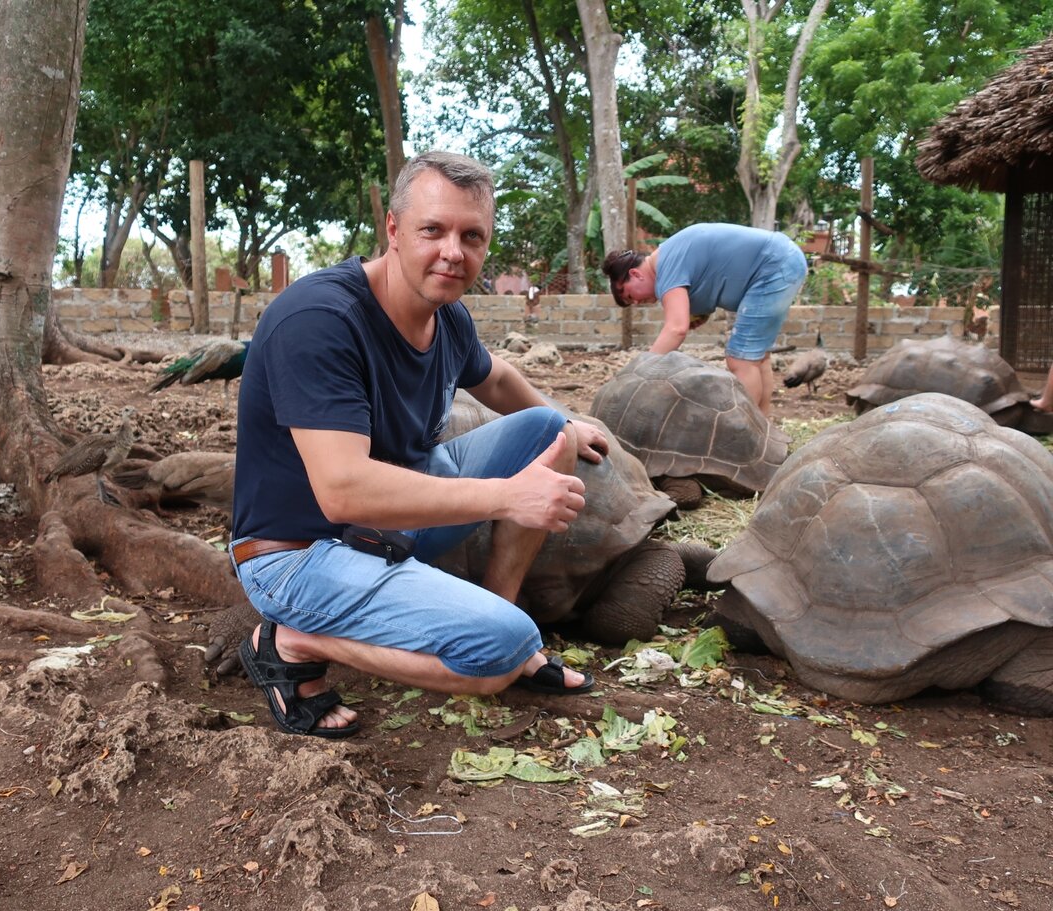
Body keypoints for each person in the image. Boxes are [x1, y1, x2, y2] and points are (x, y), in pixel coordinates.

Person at [229, 151, 610, 738]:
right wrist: (506, 497)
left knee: (548, 432)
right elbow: (344, 492)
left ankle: (498, 608)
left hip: (396, 522)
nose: (452, 252)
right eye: (433, 230)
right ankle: (292, 640)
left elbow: (500, 379)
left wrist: (565, 421)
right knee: (496, 658)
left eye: (471, 236)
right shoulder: (318, 320)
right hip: (299, 554)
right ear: (394, 230)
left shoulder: (448, 316)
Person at [602, 224, 809, 415]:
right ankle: (764, 429)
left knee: (741, 360)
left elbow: (676, 329)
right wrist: (700, 314)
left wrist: (640, 371)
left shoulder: (665, 266)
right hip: (784, 259)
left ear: (635, 274)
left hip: (774, 265)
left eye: (629, 295)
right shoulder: (668, 257)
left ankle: (747, 435)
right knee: (757, 358)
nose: (636, 303)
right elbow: (713, 270)